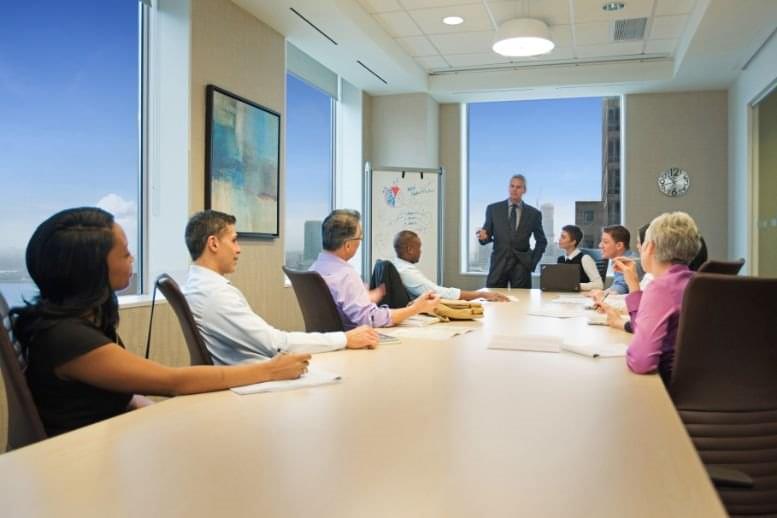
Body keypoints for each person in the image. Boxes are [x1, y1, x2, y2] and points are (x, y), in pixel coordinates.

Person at [10, 207, 310, 437]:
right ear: (91, 268)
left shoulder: (74, 323)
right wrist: (269, 371)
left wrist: (152, 412)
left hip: (109, 442)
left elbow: (122, 391)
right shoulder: (68, 339)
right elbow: (172, 381)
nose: (132, 259)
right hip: (82, 463)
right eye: (125, 253)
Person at [183, 210, 379, 365]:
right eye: (234, 240)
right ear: (213, 244)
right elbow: (276, 344)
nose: (238, 249)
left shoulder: (197, 285)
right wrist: (345, 339)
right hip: (257, 376)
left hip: (255, 368)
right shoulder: (216, 295)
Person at [597, 212, 700, 381]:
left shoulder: (661, 288)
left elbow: (641, 362)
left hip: (669, 389)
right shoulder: (694, 281)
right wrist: (634, 287)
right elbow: (645, 330)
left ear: (649, 247)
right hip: (700, 384)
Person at [310, 209, 440, 329]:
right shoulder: (346, 275)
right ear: (348, 245)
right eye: (360, 238)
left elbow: (340, 305)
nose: (360, 242)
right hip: (354, 341)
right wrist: (416, 309)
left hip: (331, 341)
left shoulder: (315, 268)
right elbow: (371, 319)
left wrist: (364, 297)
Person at [393, 230, 508, 301]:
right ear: (410, 249)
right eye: (419, 248)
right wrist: (481, 294)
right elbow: (437, 293)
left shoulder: (397, 265)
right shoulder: (406, 271)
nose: (421, 252)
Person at [476, 174, 547, 289]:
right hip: (499, 263)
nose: (514, 189)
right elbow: (487, 235)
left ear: (524, 190)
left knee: (522, 301)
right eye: (512, 186)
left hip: (521, 265)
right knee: (494, 300)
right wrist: (483, 237)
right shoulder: (493, 209)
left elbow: (541, 241)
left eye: (518, 187)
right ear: (508, 188)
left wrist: (532, 263)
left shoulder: (534, 214)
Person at [556, 225, 603, 291]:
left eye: (563, 237)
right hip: (565, 296)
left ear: (573, 242)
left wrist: (576, 285)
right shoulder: (560, 259)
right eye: (560, 236)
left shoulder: (585, 259)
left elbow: (599, 285)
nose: (559, 239)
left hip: (581, 298)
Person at [597, 224, 639, 295]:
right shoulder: (619, 259)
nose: (600, 245)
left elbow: (621, 287)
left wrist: (603, 293)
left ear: (619, 245)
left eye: (605, 242)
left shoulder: (629, 261)